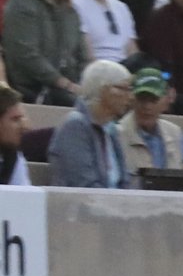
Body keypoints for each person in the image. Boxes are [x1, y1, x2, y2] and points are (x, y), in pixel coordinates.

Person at [3, 0, 86, 105]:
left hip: (67, 87)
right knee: (80, 105)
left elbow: (81, 55)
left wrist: (84, 83)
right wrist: (64, 83)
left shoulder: (69, 11)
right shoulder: (21, 2)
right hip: (33, 90)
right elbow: (27, 56)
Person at [47, 60, 131, 188]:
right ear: (103, 90)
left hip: (112, 199)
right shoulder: (74, 127)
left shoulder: (111, 129)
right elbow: (85, 186)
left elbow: (124, 182)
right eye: (123, 89)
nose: (129, 96)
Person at [116, 67, 183, 178]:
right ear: (132, 99)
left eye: (153, 100)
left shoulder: (176, 135)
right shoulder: (117, 135)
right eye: (142, 99)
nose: (147, 106)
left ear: (166, 100)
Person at [0, 86, 31, 185]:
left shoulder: (13, 157)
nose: (24, 126)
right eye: (15, 119)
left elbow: (24, 192)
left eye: (22, 118)